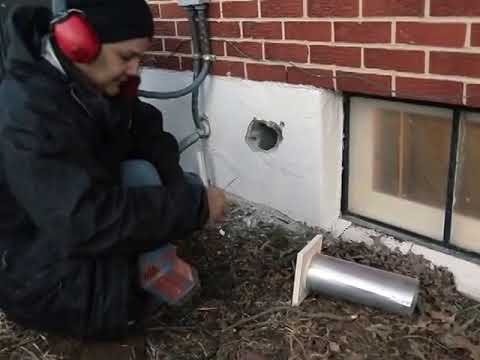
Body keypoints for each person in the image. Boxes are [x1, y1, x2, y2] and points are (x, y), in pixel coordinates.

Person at [0, 0, 225, 340]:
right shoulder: (27, 112)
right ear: (80, 42)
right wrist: (192, 207)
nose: (136, 70)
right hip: (40, 272)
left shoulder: (91, 84)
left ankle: (148, 268)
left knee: (147, 171)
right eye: (126, 57)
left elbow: (148, 134)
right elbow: (82, 220)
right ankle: (103, 323)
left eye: (140, 59)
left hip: (75, 227)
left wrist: (179, 189)